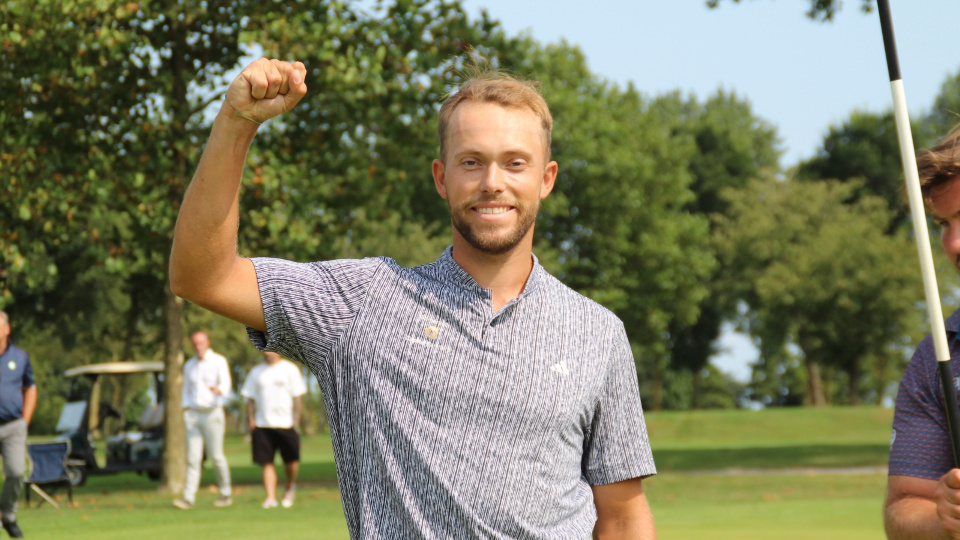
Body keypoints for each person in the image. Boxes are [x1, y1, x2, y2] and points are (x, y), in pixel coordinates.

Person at [169, 57, 657, 538]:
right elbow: (201, 276)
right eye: (472, 162)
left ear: (545, 179)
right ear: (441, 178)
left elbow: (622, 516)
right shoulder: (361, 304)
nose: (493, 182)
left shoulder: (596, 332)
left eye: (515, 163)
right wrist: (237, 122)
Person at [886, 128, 960, 539]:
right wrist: (942, 519)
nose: (953, 244)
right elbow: (903, 506)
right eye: (943, 224)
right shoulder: (936, 355)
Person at [173, 330, 233, 509]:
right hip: (193, 415)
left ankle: (225, 493)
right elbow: (186, 390)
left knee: (216, 456)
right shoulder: (189, 365)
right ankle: (188, 498)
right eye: (195, 344)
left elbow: (227, 385)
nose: (198, 347)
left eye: (201, 343)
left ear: (207, 342)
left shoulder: (218, 361)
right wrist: (185, 408)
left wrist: (219, 390)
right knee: (193, 458)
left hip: (212, 413)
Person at [241, 351, 307, 509]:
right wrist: (251, 421)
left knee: (291, 462)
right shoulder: (256, 372)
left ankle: (290, 488)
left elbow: (297, 398)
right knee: (266, 462)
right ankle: (270, 497)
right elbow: (249, 399)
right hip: (263, 425)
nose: (267, 352)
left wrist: (295, 422)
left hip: (286, 424)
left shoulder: (290, 369)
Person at [0, 311, 35, 538]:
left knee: (15, 471)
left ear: (6, 329)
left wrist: (25, 420)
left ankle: (8, 515)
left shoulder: (20, 357)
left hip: (13, 426)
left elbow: (30, 387)